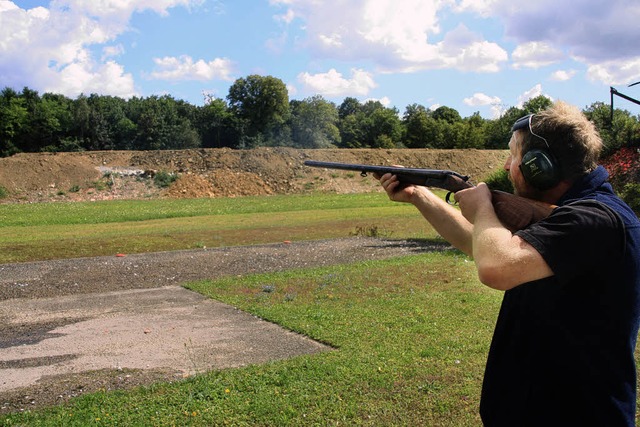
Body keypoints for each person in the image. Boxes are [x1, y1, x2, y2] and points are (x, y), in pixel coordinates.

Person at [376, 101, 640, 426]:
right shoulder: (568, 213)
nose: (506, 165)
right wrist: (420, 195)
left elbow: (495, 267)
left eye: (513, 155)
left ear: (538, 165)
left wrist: (484, 207)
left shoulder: (595, 220)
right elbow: (479, 245)